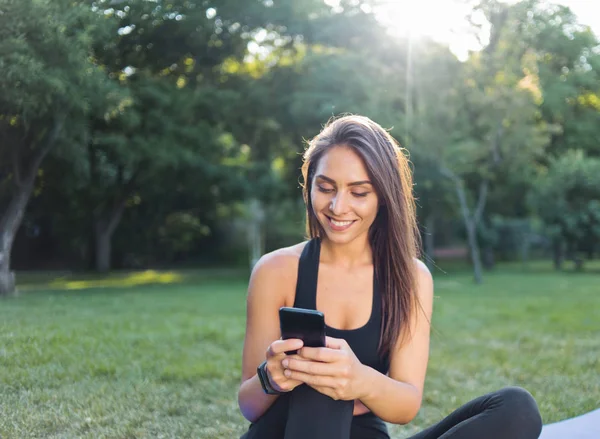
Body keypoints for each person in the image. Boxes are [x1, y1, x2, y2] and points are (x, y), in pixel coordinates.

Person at [237, 115, 543, 439]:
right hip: (290, 430)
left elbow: (406, 404)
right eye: (326, 188)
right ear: (309, 185)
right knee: (321, 383)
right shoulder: (276, 270)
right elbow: (249, 405)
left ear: (383, 195)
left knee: (516, 409)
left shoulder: (410, 277)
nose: (338, 207)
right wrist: (271, 377)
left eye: (359, 192)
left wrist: (358, 379)